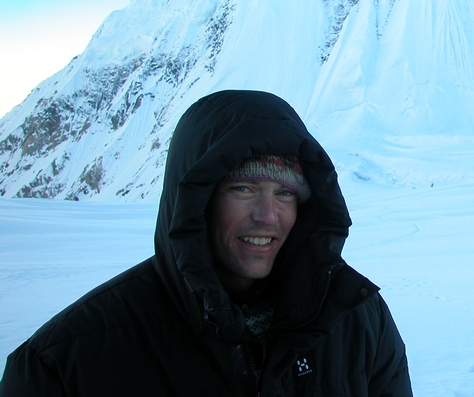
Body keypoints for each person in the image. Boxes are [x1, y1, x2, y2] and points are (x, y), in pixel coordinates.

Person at [0, 90, 412, 396]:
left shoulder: (358, 320)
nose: (267, 216)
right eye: (244, 189)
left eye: (285, 194)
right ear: (198, 202)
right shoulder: (65, 363)